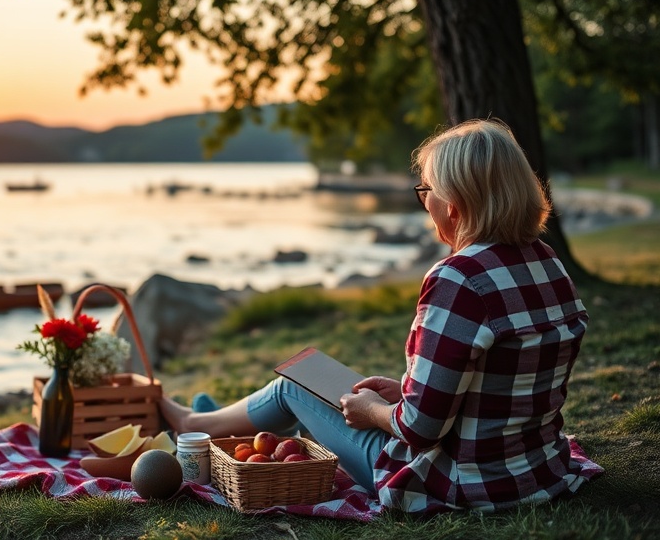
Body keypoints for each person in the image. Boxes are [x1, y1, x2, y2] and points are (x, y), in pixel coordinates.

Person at [159, 119, 598, 513]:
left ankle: (194, 426)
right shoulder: (546, 262)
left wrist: (372, 411)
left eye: (427, 192)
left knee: (296, 383)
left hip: (458, 483)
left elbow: (421, 430)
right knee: (315, 383)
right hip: (534, 468)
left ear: (456, 205)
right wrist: (404, 391)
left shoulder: (460, 279)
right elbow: (502, 376)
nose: (425, 205)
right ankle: (212, 421)